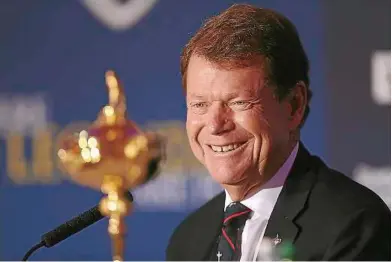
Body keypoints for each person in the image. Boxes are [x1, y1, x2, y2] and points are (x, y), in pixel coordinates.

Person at [165, 3, 391, 261]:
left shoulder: (352, 224)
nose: (215, 125)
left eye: (239, 102)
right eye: (199, 105)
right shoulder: (188, 240)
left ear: (294, 105)